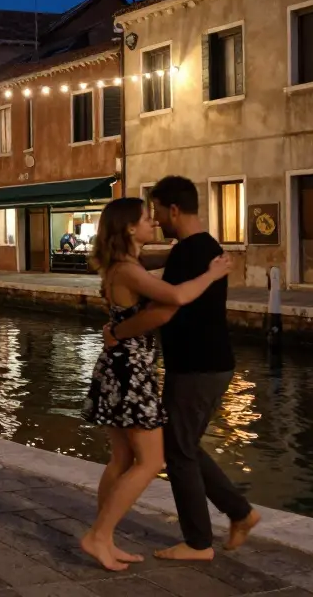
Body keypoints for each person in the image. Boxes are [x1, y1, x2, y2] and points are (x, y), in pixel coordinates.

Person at [103, 176, 261, 562]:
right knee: (181, 445)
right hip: (200, 364)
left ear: (173, 209)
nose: (155, 220)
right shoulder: (195, 249)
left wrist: (117, 331)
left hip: (197, 367)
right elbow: (143, 265)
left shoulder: (191, 253)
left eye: (156, 210)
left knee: (177, 450)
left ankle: (199, 542)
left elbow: (165, 309)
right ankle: (239, 513)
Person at [80, 197, 232, 571]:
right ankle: (98, 536)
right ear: (131, 228)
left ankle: (105, 536)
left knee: (121, 459)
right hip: (132, 372)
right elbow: (176, 298)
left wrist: (178, 253)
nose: (154, 223)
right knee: (152, 461)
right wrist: (213, 273)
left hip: (118, 368)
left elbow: (151, 262)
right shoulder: (129, 272)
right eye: (147, 219)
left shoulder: (122, 264)